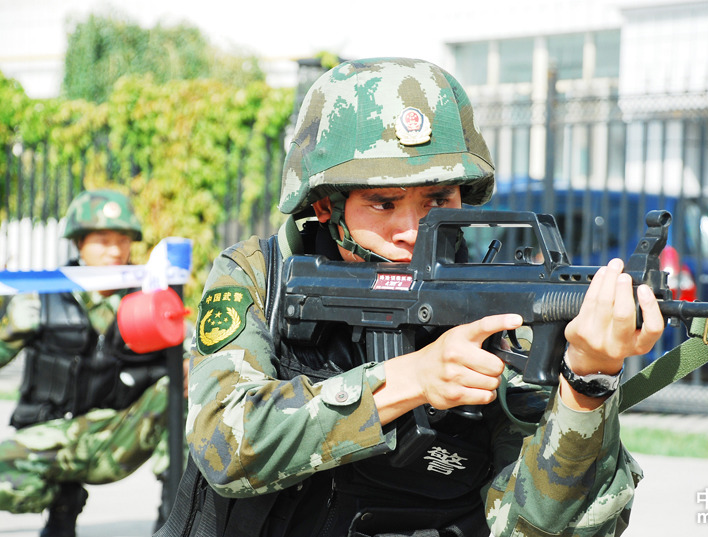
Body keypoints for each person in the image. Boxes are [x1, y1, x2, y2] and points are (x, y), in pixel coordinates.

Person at [180, 57, 664, 536]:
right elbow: (223, 446)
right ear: (327, 206)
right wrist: (411, 379)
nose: (413, 230)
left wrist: (587, 382)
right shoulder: (262, 278)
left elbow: (543, 527)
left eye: (437, 200)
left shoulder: (485, 309)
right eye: (383, 203)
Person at [0, 189, 184, 537]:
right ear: (79, 243)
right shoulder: (41, 296)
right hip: (53, 437)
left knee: (181, 388)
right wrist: (8, 321)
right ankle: (62, 503)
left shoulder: (148, 299)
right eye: (103, 240)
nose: (115, 250)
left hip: (116, 437)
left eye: (123, 240)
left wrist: (188, 367)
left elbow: (190, 355)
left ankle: (172, 521)